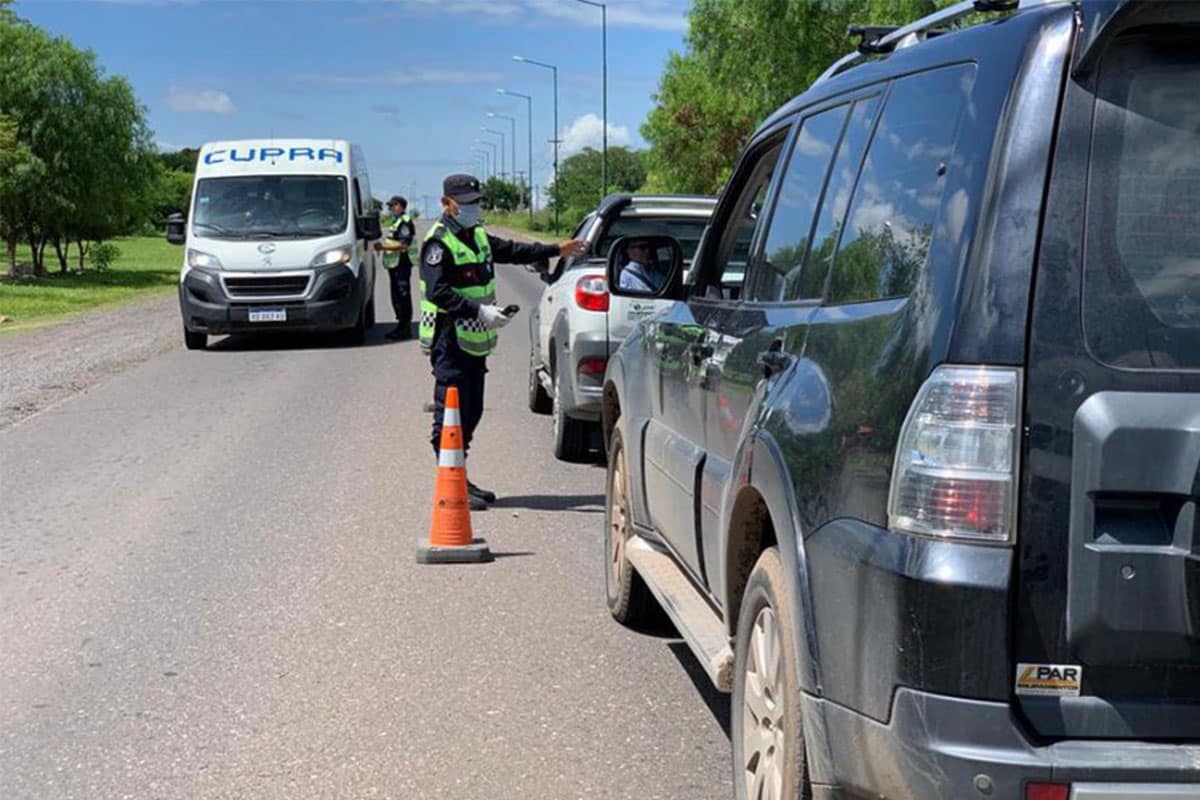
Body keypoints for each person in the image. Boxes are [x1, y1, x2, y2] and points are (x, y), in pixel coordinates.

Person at [421, 173, 587, 509]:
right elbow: (438, 291)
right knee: (451, 412)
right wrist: (480, 312)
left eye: (475, 202)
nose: (472, 208)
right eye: (465, 204)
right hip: (449, 340)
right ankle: (451, 487)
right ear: (447, 204)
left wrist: (557, 249)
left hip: (474, 341)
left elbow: (513, 250)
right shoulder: (438, 243)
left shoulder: (477, 235)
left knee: (472, 411)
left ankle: (460, 477)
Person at [374, 195, 416, 340]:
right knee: (396, 295)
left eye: (394, 205)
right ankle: (401, 326)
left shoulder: (404, 222)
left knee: (402, 295)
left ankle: (405, 328)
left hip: (402, 263)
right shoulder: (395, 221)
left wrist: (382, 247)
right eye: (390, 206)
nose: (391, 208)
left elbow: (404, 244)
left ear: (402, 206)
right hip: (394, 264)